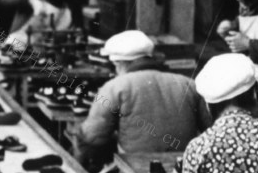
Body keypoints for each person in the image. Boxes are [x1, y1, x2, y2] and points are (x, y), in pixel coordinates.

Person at [75, 30, 210, 162]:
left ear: (118, 63)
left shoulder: (114, 87)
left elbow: (92, 140)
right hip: (183, 169)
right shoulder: (188, 84)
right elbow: (210, 132)